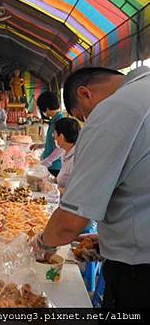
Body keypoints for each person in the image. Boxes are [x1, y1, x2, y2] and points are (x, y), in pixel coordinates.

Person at [31, 66, 150, 308]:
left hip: (139, 274)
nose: (86, 123)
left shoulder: (116, 109)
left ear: (86, 93)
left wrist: (43, 244)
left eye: (83, 116)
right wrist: (111, 236)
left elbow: (70, 222)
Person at [41, 117, 80, 195]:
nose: (53, 137)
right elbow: (63, 178)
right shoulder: (65, 152)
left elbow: (75, 192)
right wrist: (51, 180)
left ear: (61, 137)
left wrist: (53, 188)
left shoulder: (76, 159)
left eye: (54, 134)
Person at [31, 91, 63, 177]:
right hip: (49, 164)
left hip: (54, 167)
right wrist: (40, 145)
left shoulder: (59, 122)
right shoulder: (53, 120)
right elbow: (54, 143)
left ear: (47, 108)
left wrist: (48, 161)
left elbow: (61, 148)